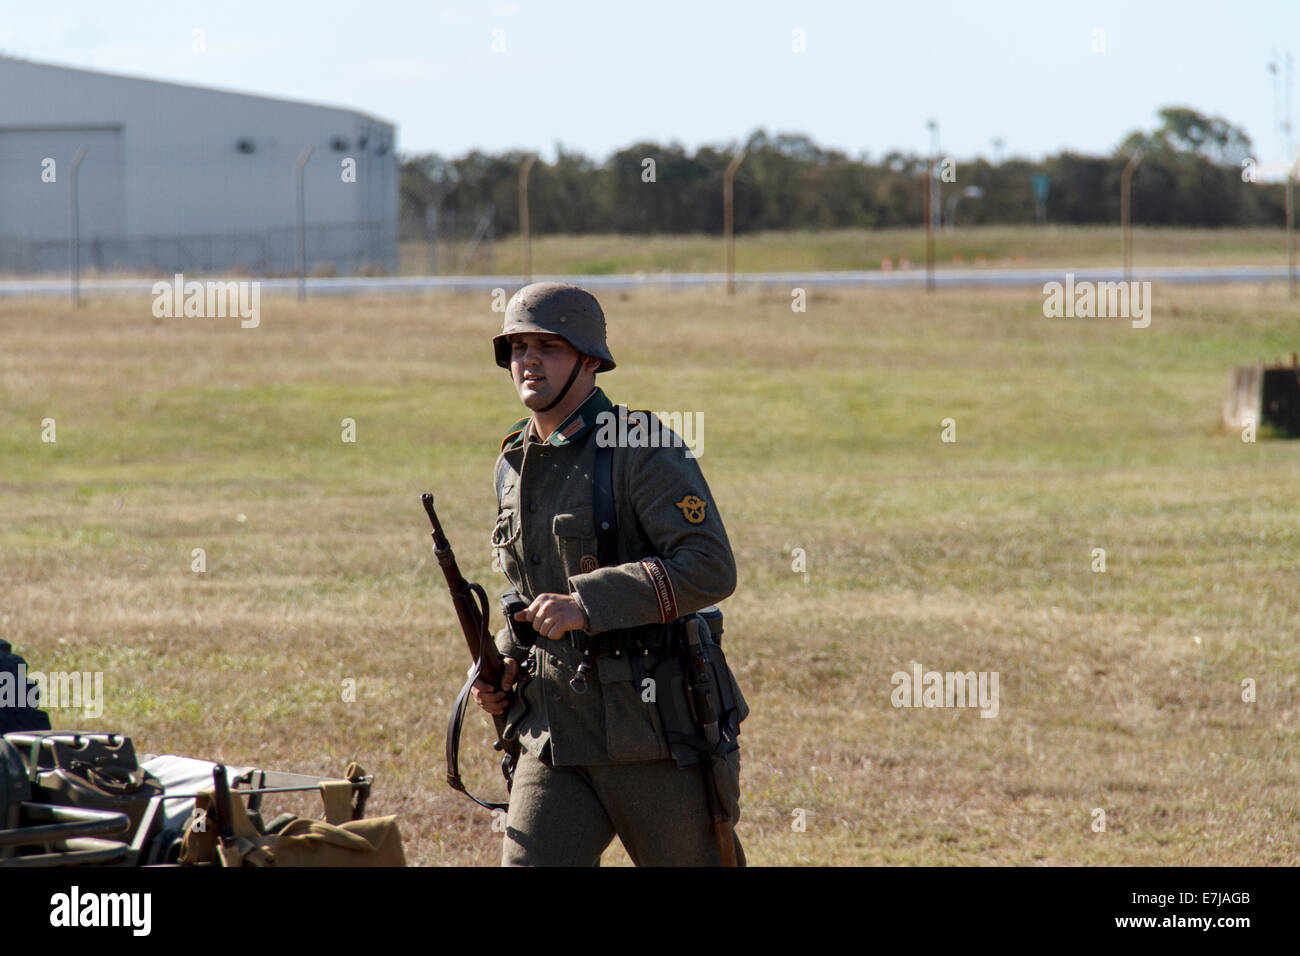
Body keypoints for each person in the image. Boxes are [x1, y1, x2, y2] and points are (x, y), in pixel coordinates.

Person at [471, 281, 745, 866]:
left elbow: (709, 566)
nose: (529, 361)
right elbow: (522, 591)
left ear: (589, 359)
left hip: (648, 735)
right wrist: (504, 659)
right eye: (518, 347)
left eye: (549, 346)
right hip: (553, 733)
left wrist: (587, 603)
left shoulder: (639, 446)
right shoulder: (512, 461)